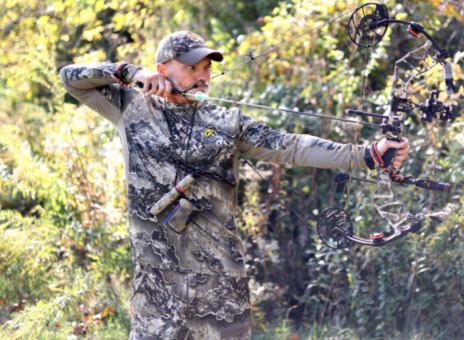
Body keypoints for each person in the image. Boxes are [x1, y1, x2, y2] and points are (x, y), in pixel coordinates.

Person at [60, 31, 410, 340]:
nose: (202, 76)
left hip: (220, 282)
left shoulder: (227, 121)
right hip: (157, 279)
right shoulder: (129, 107)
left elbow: (290, 145)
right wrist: (130, 72)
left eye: (207, 68)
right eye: (192, 68)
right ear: (163, 69)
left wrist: (366, 154)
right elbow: (71, 78)